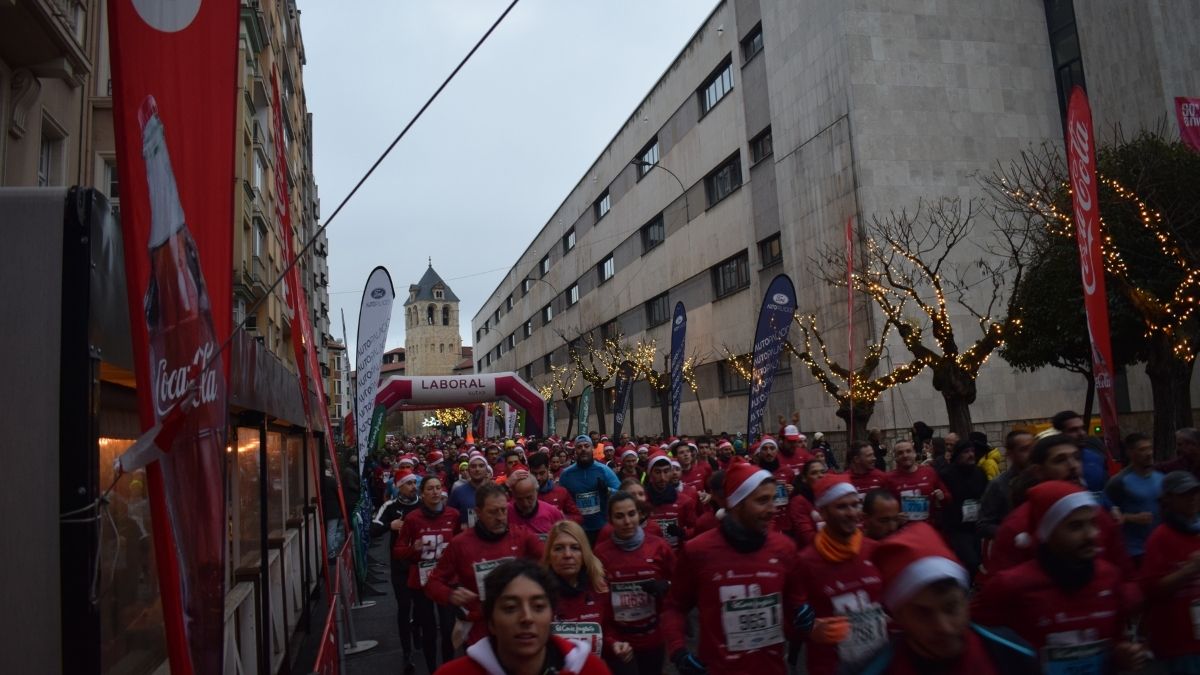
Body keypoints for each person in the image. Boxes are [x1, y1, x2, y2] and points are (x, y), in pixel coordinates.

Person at [972, 481, 1147, 673]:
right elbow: (974, 636)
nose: (1091, 535)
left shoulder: (1109, 577)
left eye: (1093, 523)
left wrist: (1122, 655)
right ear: (1048, 533)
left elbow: (1115, 640)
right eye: (1075, 527)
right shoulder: (1011, 585)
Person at [663, 460, 806, 675]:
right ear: (737, 504)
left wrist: (803, 616)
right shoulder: (698, 551)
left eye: (773, 499)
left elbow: (796, 604)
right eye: (762, 501)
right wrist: (678, 651)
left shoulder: (784, 548)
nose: (772, 509)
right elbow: (674, 607)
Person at [859, 523, 1039, 674]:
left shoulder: (1014, 656)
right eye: (923, 613)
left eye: (951, 607)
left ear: (966, 599)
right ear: (898, 616)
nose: (944, 627)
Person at [983, 434, 1133, 583]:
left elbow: (1124, 576)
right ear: (1038, 471)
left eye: (1076, 458)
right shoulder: (1017, 525)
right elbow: (997, 590)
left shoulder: (1096, 514)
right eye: (1060, 460)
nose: (1073, 465)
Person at [434, 559, 609, 675]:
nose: (527, 618)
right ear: (491, 621)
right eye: (510, 608)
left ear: (552, 616)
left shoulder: (591, 669)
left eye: (538, 607)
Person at [426, 483, 545, 648]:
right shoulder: (460, 543)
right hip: (480, 628)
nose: (500, 517)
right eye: (493, 512)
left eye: (504, 510)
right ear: (478, 513)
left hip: (517, 624)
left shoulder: (521, 535)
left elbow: (549, 561)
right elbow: (432, 583)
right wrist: (450, 595)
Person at [795, 474, 887, 674]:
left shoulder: (875, 550)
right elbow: (791, 617)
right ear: (823, 512)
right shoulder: (806, 561)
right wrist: (811, 630)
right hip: (831, 666)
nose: (852, 513)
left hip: (880, 663)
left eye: (855, 505)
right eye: (842, 506)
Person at [594, 490, 676, 675]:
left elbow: (681, 586)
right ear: (610, 519)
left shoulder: (659, 546)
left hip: (653, 638)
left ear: (639, 514)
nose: (627, 521)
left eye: (631, 514)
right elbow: (599, 603)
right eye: (619, 516)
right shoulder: (600, 553)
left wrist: (667, 586)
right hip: (620, 642)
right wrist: (610, 640)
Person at [541, 520, 631, 668]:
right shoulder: (538, 593)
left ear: (584, 553)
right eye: (559, 548)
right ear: (549, 555)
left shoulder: (599, 588)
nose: (568, 555)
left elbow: (607, 629)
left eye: (575, 548)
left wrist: (615, 644)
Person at [395, 475, 461, 672]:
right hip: (421, 582)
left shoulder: (453, 515)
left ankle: (448, 667)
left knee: (448, 628)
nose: (435, 492)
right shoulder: (413, 518)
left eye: (438, 488)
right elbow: (398, 551)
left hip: (447, 580)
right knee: (429, 630)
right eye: (430, 488)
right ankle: (433, 668)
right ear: (422, 493)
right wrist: (412, 550)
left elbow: (461, 543)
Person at [1139, 470, 1200, 672]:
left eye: (1195, 492)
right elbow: (1150, 589)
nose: (1192, 499)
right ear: (1168, 499)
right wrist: (1189, 570)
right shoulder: (1160, 538)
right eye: (1184, 494)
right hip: (1177, 642)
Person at [371, 468, 422, 673]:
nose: (413, 487)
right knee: (403, 606)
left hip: (422, 565)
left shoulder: (422, 503)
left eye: (414, 483)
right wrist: (389, 526)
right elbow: (373, 530)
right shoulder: (390, 506)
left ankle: (416, 629)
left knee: (421, 607)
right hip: (400, 566)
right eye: (408, 484)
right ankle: (406, 650)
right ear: (399, 487)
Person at [1104, 432, 1163, 565]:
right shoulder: (1119, 482)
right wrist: (1131, 517)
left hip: (1161, 546)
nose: (1148, 453)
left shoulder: (1161, 477)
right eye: (1142, 449)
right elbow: (1105, 515)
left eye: (1149, 448)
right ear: (1130, 453)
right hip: (1135, 550)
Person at [938, 439, 988, 579]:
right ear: (958, 455)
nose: (971, 455)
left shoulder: (980, 473)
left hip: (977, 525)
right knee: (970, 561)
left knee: (980, 559)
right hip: (957, 527)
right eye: (966, 452)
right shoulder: (947, 475)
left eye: (972, 451)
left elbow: (986, 495)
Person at [557, 435, 621, 542]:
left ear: (592, 449)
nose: (583, 449)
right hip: (577, 530)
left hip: (602, 527)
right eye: (579, 447)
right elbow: (560, 502)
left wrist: (608, 491)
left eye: (586, 446)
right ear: (575, 451)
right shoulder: (566, 474)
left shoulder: (604, 470)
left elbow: (622, 495)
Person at [977, 429, 1033, 540]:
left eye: (1033, 448)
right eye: (1024, 449)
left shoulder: (1044, 477)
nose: (1031, 453)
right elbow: (983, 525)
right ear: (1010, 454)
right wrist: (1012, 533)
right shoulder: (998, 485)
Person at [885, 439, 949, 526]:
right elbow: (884, 510)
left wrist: (942, 497)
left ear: (914, 453)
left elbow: (948, 497)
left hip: (929, 529)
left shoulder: (929, 472)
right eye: (900, 453)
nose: (905, 455)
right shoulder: (888, 479)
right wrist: (894, 518)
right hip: (904, 532)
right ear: (895, 457)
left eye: (908, 451)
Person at [643, 451, 696, 549]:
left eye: (666, 471)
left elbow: (695, 531)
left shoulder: (685, 501)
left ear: (671, 472)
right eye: (658, 472)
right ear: (650, 473)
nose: (662, 478)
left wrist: (683, 533)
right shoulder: (642, 501)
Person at [508, 469, 567, 540]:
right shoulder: (506, 512)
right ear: (513, 495)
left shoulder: (552, 513)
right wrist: (506, 485)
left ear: (536, 491)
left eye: (529, 498)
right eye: (519, 499)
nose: (525, 504)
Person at [527, 452, 582, 523]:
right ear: (529, 471)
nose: (538, 478)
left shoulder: (561, 492)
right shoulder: (524, 494)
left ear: (548, 469)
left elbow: (578, 517)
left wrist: (562, 518)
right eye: (534, 474)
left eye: (542, 473)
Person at [787, 459, 826, 548]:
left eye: (822, 472)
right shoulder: (798, 501)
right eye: (814, 473)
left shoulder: (828, 497)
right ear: (804, 478)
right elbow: (806, 536)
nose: (820, 475)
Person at [448, 453, 492, 526]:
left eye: (481, 466)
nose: (477, 469)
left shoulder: (495, 491)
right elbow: (450, 517)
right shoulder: (458, 492)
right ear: (468, 470)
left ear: (487, 470)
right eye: (473, 466)